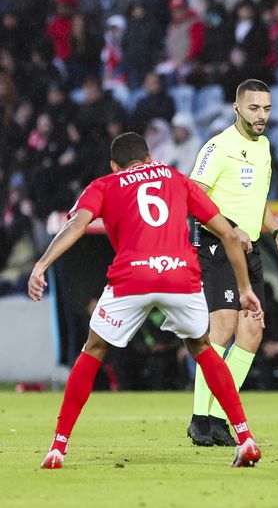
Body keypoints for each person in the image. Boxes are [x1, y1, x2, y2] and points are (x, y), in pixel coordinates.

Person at [28, 132, 262, 469]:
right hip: (181, 275)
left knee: (93, 349)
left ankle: (57, 448)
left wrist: (41, 265)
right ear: (149, 158)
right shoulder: (175, 177)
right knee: (202, 348)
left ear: (114, 164)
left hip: (132, 276)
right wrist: (244, 288)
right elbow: (227, 233)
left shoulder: (104, 184)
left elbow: (76, 225)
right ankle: (246, 439)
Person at [187, 79, 278, 447]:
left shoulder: (264, 147)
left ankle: (219, 418)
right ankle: (200, 419)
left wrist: (276, 228)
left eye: (266, 108)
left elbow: (259, 199)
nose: (261, 115)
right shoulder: (217, 147)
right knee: (223, 326)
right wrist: (231, 228)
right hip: (217, 244)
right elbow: (193, 198)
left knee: (252, 331)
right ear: (237, 108)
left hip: (249, 251)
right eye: (254, 108)